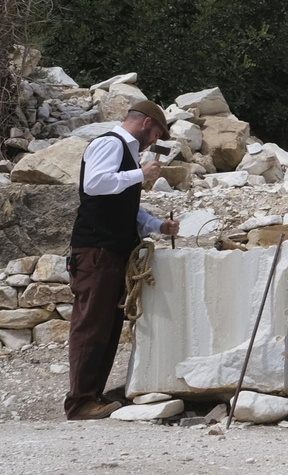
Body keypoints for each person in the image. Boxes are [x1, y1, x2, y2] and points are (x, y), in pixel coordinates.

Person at [65, 100, 180, 420]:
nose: (155, 141)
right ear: (145, 124)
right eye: (156, 133)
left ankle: (92, 395)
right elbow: (95, 184)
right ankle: (79, 402)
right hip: (96, 251)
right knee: (91, 326)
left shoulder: (127, 155)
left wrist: (159, 226)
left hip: (110, 252)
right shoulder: (108, 143)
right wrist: (138, 174)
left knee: (107, 327)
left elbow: (126, 209)